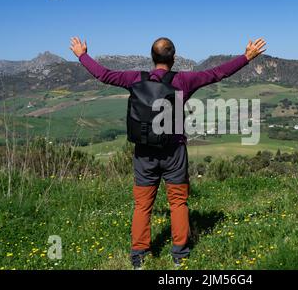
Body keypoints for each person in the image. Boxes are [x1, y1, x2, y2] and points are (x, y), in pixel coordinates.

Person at [70, 36, 267, 269]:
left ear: (152, 58)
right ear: (173, 59)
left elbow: (103, 74)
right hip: (174, 151)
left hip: (144, 153)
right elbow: (217, 73)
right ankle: (179, 256)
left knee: (142, 205)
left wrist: (82, 55)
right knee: (178, 203)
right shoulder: (184, 80)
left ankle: (138, 257)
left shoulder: (135, 78)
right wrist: (246, 57)